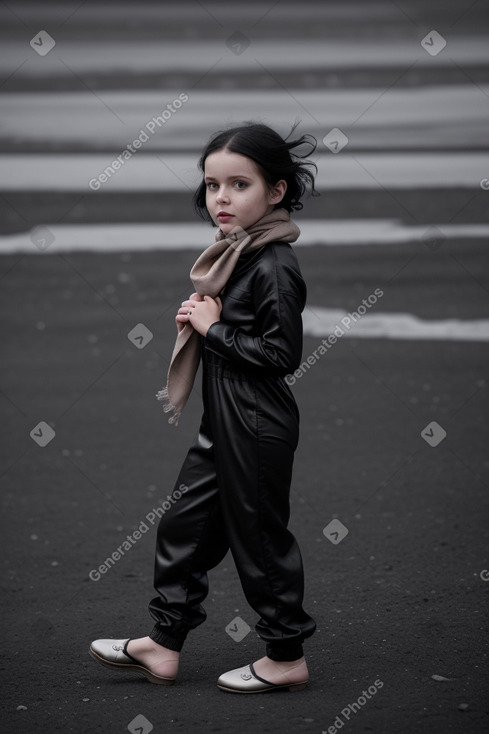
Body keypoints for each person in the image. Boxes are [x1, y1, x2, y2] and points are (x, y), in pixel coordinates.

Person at [89, 121, 319, 693]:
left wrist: (213, 330)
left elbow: (280, 355)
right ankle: (164, 644)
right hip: (225, 419)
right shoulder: (237, 255)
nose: (222, 197)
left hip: (257, 423)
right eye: (213, 184)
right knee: (185, 526)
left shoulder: (273, 266)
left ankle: (286, 657)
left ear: (276, 192)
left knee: (259, 539)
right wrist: (203, 321)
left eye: (239, 184)